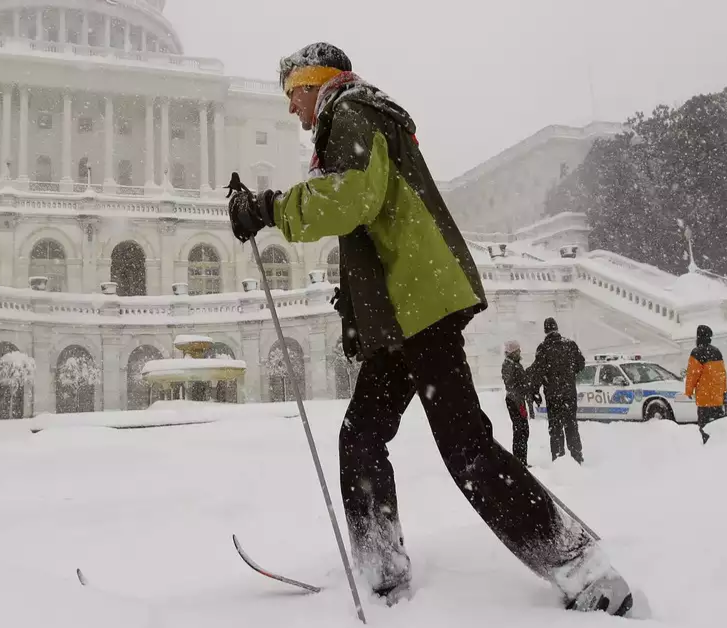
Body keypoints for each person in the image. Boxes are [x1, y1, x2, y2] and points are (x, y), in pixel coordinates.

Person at [225, 42, 637, 616]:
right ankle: (383, 575)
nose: (292, 110)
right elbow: (376, 219)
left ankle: (581, 568)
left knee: (465, 448)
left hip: (418, 308)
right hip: (402, 313)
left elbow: (349, 199)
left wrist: (267, 208)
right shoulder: (356, 116)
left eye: (291, 94)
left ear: (313, 83)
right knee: (362, 437)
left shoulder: (350, 112)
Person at [528, 318, 587, 464]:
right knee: (571, 424)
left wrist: (535, 390)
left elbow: (538, 372)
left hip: (553, 395)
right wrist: (569, 373)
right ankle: (576, 456)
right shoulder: (570, 345)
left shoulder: (543, 348)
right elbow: (581, 363)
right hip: (569, 393)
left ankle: (559, 457)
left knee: (555, 427)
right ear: (557, 328)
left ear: (545, 331)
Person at [684, 325, 727, 444]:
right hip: (717, 397)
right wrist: (723, 390)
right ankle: (719, 445)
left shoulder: (697, 352)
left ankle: (707, 446)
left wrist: (688, 391)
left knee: (704, 426)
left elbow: (692, 374)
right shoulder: (717, 351)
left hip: (704, 397)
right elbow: (723, 374)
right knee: (717, 424)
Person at [502, 340, 533, 466]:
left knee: (522, 430)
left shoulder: (514, 364)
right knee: (521, 430)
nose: (520, 352)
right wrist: (523, 387)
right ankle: (519, 461)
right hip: (515, 401)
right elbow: (511, 384)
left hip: (517, 400)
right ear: (512, 352)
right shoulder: (510, 365)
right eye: (518, 350)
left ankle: (521, 460)